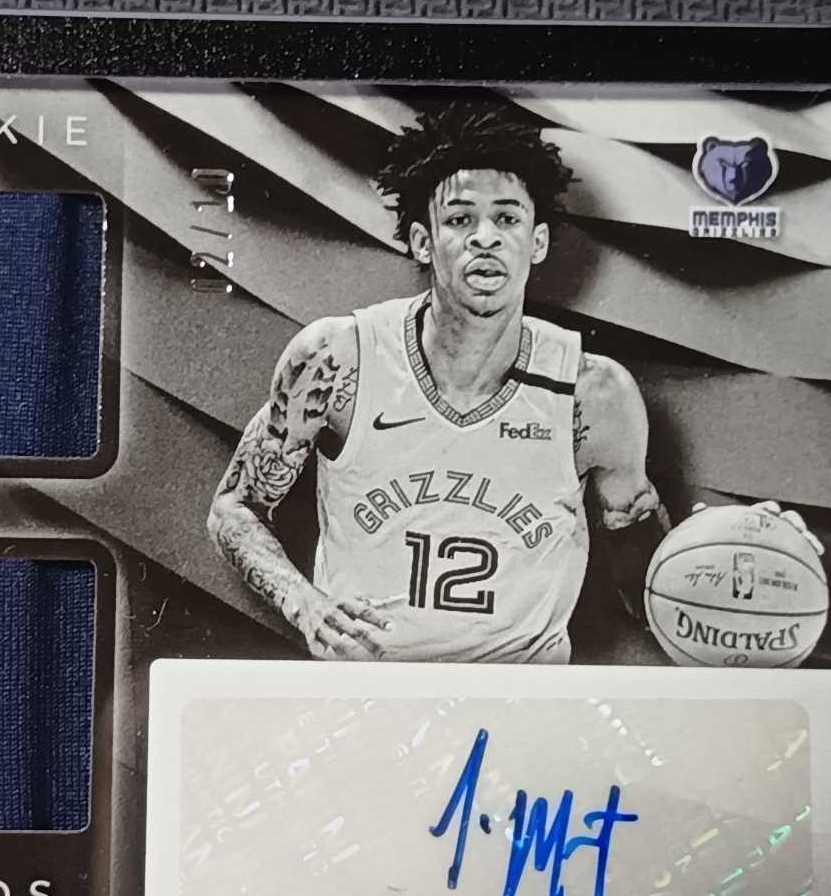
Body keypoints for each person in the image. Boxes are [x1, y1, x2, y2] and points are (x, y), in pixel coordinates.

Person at [207, 102, 667, 663]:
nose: (485, 238)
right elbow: (235, 507)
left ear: (538, 243)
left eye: (507, 219)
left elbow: (646, 577)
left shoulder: (593, 393)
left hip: (522, 694)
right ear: (423, 242)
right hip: (366, 691)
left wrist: (719, 555)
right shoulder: (340, 360)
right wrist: (304, 603)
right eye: (460, 219)